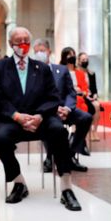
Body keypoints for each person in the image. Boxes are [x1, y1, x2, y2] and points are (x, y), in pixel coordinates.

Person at [0, 27, 82, 211]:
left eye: (26, 40)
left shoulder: (41, 68)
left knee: (59, 131)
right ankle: (18, 182)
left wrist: (39, 115)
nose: (23, 44)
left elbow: (53, 97)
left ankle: (66, 187)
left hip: (41, 118)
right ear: (10, 44)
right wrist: (17, 116)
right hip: (13, 119)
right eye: (18, 40)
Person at [32, 39, 90, 172]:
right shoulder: (32, 72)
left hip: (65, 108)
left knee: (85, 118)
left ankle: (70, 153)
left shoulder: (62, 70)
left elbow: (71, 92)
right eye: (37, 51)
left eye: (42, 50)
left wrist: (68, 108)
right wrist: (53, 108)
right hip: (46, 111)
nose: (40, 54)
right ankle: (49, 157)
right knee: (50, 124)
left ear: (49, 51)